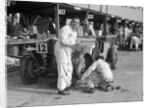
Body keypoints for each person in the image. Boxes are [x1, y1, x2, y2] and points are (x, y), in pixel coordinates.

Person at [54, 18, 80, 95]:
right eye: (74, 22)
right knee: (62, 68)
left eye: (77, 23)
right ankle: (61, 89)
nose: (76, 24)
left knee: (69, 68)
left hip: (68, 50)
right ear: (71, 22)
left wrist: (76, 41)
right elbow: (63, 41)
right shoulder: (65, 29)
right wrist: (75, 42)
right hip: (61, 49)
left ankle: (67, 85)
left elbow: (73, 40)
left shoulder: (75, 31)